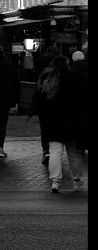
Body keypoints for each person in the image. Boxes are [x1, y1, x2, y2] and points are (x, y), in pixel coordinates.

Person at [32, 52, 88, 193]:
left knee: (55, 152)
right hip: (72, 121)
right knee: (73, 152)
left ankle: (55, 181)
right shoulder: (76, 77)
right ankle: (77, 180)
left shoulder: (47, 78)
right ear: (67, 64)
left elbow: (40, 100)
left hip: (52, 122)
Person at [28, 45, 62, 166]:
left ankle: (46, 150)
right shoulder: (60, 71)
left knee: (45, 127)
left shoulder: (42, 73)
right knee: (57, 126)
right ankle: (56, 151)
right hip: (58, 103)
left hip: (44, 104)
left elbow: (38, 90)